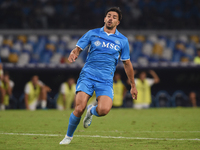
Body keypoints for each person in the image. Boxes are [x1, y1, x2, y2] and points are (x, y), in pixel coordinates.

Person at [59, 7, 138, 145]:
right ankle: (68, 136)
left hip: (106, 80)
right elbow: (78, 48)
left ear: (118, 22)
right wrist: (75, 52)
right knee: (79, 108)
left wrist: (133, 85)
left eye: (114, 17)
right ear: (104, 18)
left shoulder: (123, 40)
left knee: (104, 110)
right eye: (108, 16)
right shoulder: (93, 33)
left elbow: (127, 63)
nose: (110, 18)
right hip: (88, 75)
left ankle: (91, 111)